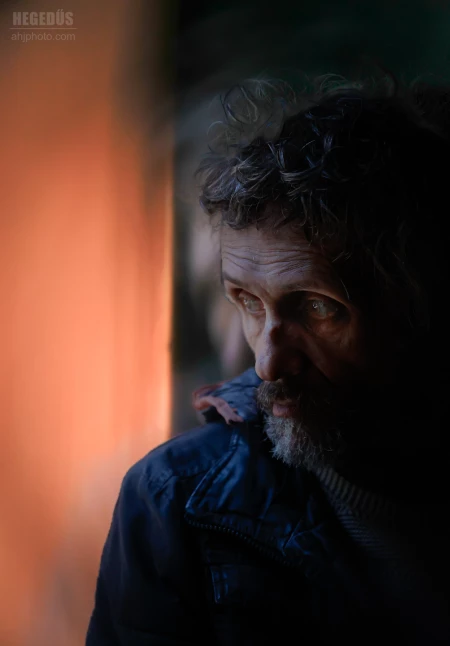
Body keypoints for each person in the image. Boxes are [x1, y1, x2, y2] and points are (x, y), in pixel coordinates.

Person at [86, 76, 450, 645]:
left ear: (420, 307)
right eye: (247, 301)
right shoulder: (175, 502)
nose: (268, 364)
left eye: (318, 307)